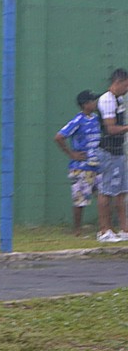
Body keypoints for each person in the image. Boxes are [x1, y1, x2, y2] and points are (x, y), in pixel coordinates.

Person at [54, 90, 101, 237]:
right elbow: (59, 137)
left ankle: (104, 228)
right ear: (85, 104)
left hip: (97, 165)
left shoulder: (97, 119)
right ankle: (77, 230)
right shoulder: (78, 120)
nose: (95, 103)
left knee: (103, 195)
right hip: (81, 167)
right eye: (92, 101)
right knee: (80, 200)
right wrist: (72, 154)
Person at [94, 69, 128, 243]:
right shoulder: (107, 100)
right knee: (106, 191)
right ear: (119, 82)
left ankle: (124, 230)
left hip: (118, 151)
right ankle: (104, 231)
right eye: (126, 85)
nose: (127, 89)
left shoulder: (119, 99)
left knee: (121, 191)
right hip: (107, 152)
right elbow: (111, 129)